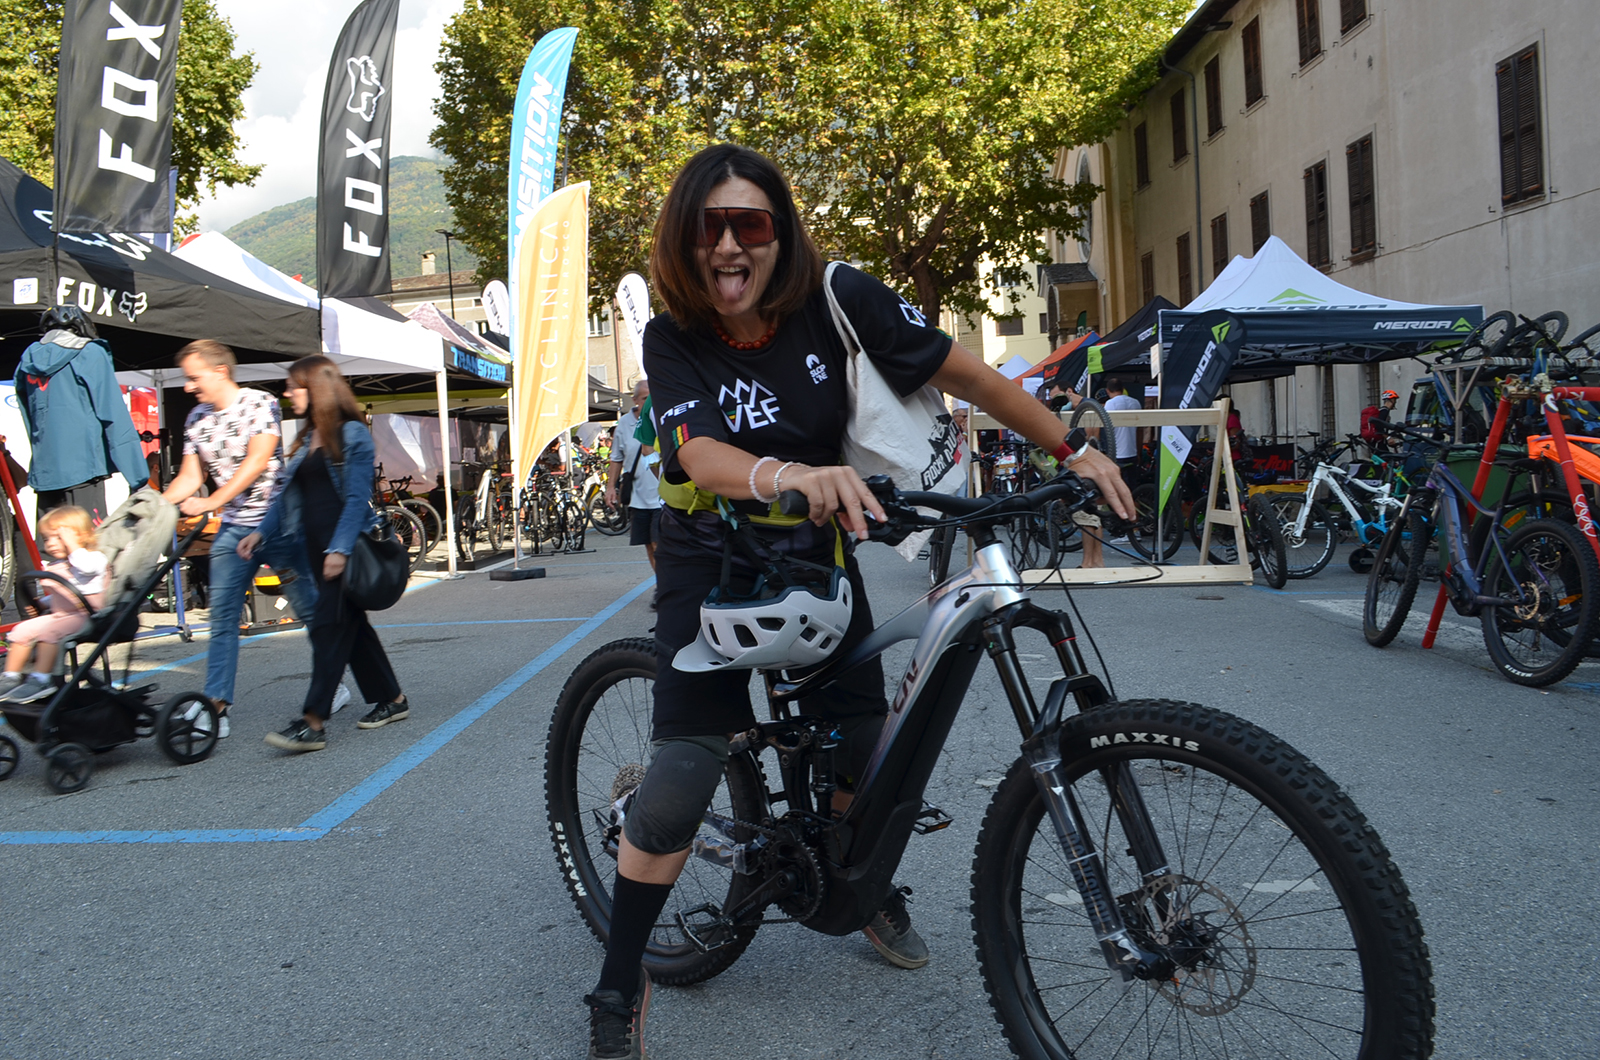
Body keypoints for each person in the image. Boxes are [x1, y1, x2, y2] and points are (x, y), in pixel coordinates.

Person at [579, 143, 1132, 1060]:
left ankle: (859, 889)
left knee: (869, 756)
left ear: (778, 233)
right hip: (707, 553)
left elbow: (969, 375)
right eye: (709, 227)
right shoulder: (673, 334)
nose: (729, 246)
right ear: (685, 239)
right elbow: (698, 456)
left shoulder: (837, 296)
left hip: (813, 549)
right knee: (680, 782)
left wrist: (1071, 450)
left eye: (749, 224)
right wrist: (788, 472)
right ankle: (618, 980)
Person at [160, 340, 344, 738]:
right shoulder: (196, 417)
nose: (189, 387)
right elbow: (190, 477)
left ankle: (332, 686)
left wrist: (213, 500)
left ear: (220, 371)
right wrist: (153, 508)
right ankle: (217, 707)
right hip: (233, 529)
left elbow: (259, 458)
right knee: (223, 617)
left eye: (195, 378)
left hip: (279, 522)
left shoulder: (259, 403)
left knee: (310, 610)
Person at [242, 356, 410, 753]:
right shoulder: (306, 438)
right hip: (314, 549)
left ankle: (313, 721)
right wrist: (259, 532)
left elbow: (355, 499)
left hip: (343, 548)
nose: (286, 394)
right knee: (353, 628)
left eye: (293, 387)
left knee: (329, 629)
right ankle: (393, 700)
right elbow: (286, 499)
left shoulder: (351, 433)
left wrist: (339, 549)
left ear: (315, 388)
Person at [0, 507, 107, 704]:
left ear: (82, 536)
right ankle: (11, 676)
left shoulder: (93, 558)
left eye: (59, 537)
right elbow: (63, 593)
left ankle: (41, 679)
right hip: (62, 614)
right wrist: (43, 602)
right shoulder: (59, 564)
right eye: (47, 539)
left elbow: (86, 570)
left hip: (88, 615)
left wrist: (73, 545)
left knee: (49, 633)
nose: (51, 543)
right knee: (22, 629)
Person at [605, 380, 663, 574]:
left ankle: (665, 587)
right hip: (638, 497)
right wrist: (610, 487)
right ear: (635, 399)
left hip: (661, 496)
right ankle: (660, 585)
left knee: (659, 544)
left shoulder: (661, 417)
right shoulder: (624, 423)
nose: (650, 402)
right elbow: (616, 458)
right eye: (646, 398)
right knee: (648, 544)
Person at [1103, 377, 1142, 468]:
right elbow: (1140, 430)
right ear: (1123, 389)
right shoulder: (1135, 403)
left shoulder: (1110, 404)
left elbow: (1106, 429)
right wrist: (1139, 452)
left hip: (1117, 453)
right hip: (1133, 451)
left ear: (1107, 391)